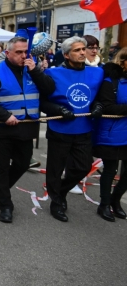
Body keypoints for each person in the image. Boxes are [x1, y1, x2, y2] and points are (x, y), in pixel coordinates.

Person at [0, 37, 55, 223]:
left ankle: (1, 189)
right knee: (1, 168)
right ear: (8, 53)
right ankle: (5, 204)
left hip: (26, 129)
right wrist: (4, 116)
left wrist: (35, 71)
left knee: (22, 163)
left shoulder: (33, 69)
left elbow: (49, 90)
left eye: (25, 52)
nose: (23, 56)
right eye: (18, 52)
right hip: (0, 129)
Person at [40, 36, 105, 222]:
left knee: (83, 167)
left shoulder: (97, 73)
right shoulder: (53, 74)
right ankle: (56, 202)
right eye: (77, 50)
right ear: (67, 55)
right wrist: (58, 109)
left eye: (83, 49)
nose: (83, 52)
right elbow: (43, 102)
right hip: (60, 130)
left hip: (84, 129)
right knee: (55, 169)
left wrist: (98, 106)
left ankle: (59, 192)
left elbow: (101, 97)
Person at [92, 49, 127, 222]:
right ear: (124, 61)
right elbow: (106, 107)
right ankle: (104, 204)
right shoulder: (110, 81)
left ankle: (115, 200)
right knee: (110, 170)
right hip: (112, 133)